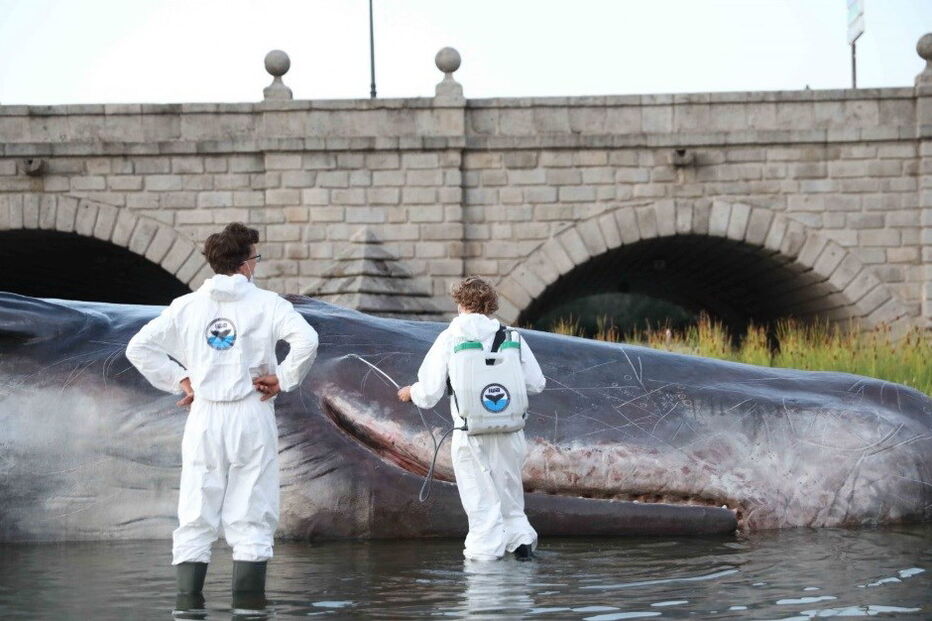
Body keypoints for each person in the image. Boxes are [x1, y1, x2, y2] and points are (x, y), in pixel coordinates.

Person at [126, 222, 319, 598]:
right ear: (246, 262)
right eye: (256, 257)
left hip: (205, 414)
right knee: (252, 511)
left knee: (196, 509)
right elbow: (307, 341)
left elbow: (138, 348)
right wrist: (283, 378)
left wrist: (180, 379)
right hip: (251, 410)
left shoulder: (186, 307)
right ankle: (248, 607)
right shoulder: (269, 304)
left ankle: (187, 606)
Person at [397, 276, 546, 561]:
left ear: (460, 303)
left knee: (480, 504)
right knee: (510, 499)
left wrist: (409, 393)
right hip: (509, 430)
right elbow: (537, 383)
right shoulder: (512, 337)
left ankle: (483, 569)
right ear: (490, 305)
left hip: (470, 433)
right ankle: (522, 544)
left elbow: (429, 393)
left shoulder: (450, 337)